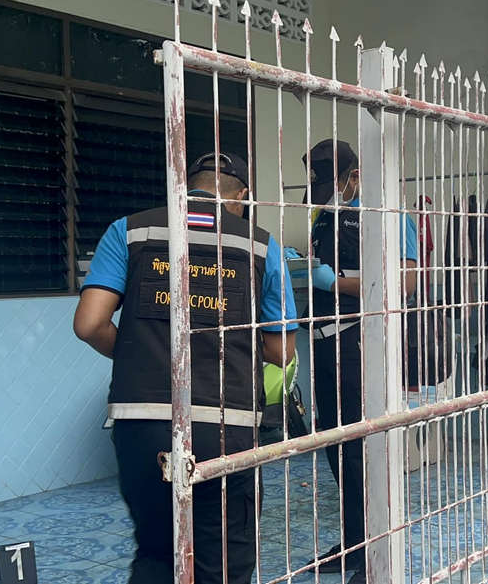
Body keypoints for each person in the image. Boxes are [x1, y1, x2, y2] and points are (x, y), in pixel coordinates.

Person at [73, 151, 297, 584]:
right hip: (226, 422)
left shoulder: (130, 230)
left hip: (141, 420)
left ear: (184, 185)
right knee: (222, 563)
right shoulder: (260, 245)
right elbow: (282, 350)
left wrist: (142, 353)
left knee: (157, 553)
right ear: (242, 196)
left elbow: (89, 324)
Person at [301, 139, 417, 583]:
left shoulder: (387, 215)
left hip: (360, 343)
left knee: (362, 448)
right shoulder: (324, 216)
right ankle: (353, 542)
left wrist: (335, 283)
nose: (325, 196)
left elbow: (403, 282)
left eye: (332, 185)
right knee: (336, 444)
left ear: (354, 176)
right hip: (323, 341)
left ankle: (376, 551)